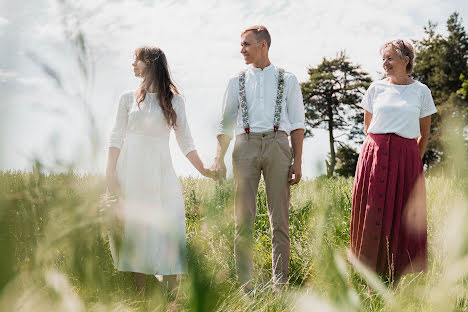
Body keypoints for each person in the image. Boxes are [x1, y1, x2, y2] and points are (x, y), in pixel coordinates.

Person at [106, 46, 213, 295]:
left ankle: (172, 295)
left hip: (161, 171)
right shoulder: (126, 98)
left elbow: (186, 141)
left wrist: (205, 169)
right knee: (136, 227)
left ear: (151, 64)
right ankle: (142, 296)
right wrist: (110, 174)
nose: (133, 64)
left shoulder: (175, 101)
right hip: (130, 171)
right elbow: (115, 138)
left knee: (171, 223)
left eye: (137, 60)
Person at [211, 25, 305, 292]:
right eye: (242, 45)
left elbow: (298, 124)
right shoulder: (235, 80)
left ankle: (280, 284)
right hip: (245, 146)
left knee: (280, 220)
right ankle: (246, 285)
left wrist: (297, 162)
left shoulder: (289, 79)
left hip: (278, 145)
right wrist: (218, 158)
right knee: (243, 219)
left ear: (263, 45)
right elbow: (225, 125)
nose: (241, 50)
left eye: (246, 44)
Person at [349, 40, 437, 282]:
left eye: (389, 58)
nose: (384, 63)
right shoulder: (375, 89)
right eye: (383, 58)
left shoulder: (421, 91)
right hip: (375, 155)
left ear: (405, 60)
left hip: (406, 157)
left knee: (403, 215)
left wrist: (412, 162)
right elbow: (369, 127)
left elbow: (424, 133)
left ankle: (400, 279)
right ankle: (369, 279)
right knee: (372, 213)